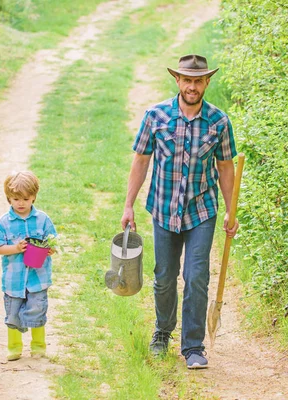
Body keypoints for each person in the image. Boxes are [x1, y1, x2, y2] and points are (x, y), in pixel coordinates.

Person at [121, 54, 239, 369]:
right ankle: (162, 333)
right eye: (186, 80)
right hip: (163, 208)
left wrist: (231, 211)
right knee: (164, 277)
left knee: (196, 275)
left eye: (197, 80)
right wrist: (129, 204)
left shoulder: (219, 122)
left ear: (206, 83)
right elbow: (141, 160)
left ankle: (194, 346)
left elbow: (226, 167)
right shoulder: (155, 116)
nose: (192, 86)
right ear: (177, 81)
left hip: (201, 210)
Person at [0, 171, 57, 361]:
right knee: (13, 314)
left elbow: (52, 240)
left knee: (37, 310)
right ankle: (14, 347)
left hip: (38, 277)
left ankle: (38, 346)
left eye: (26, 199)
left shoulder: (43, 219)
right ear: (8, 198)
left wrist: (50, 249)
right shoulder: (4, 223)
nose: (21, 203)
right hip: (14, 279)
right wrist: (16, 248)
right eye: (16, 199)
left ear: (34, 197)